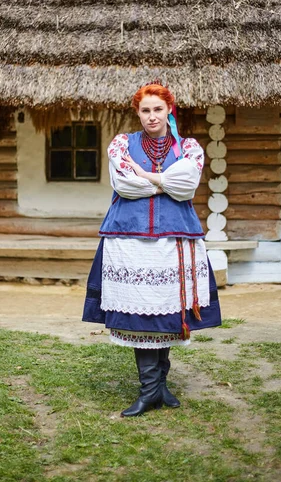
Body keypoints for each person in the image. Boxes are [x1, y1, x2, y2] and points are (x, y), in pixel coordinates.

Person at [82, 82, 221, 417]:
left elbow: (186, 186)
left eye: (158, 109)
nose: (151, 116)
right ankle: (149, 390)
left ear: (168, 110)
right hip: (129, 241)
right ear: (138, 112)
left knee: (167, 313)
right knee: (141, 315)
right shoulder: (121, 145)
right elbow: (126, 186)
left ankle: (160, 387)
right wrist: (163, 182)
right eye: (145, 110)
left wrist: (147, 175)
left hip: (175, 239)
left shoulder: (189, 148)